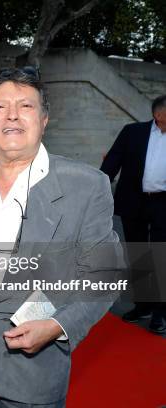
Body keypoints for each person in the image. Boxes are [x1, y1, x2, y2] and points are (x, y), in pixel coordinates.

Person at [0, 67, 123, 407]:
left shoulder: (85, 184)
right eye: (0, 107)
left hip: (33, 372)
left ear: (44, 119)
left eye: (25, 105)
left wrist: (57, 325)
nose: (11, 114)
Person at [100, 95, 166, 334]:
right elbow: (112, 163)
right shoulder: (132, 132)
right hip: (135, 201)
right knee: (139, 253)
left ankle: (160, 312)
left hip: (163, 204)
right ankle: (143, 305)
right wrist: (95, 191)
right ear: (158, 114)